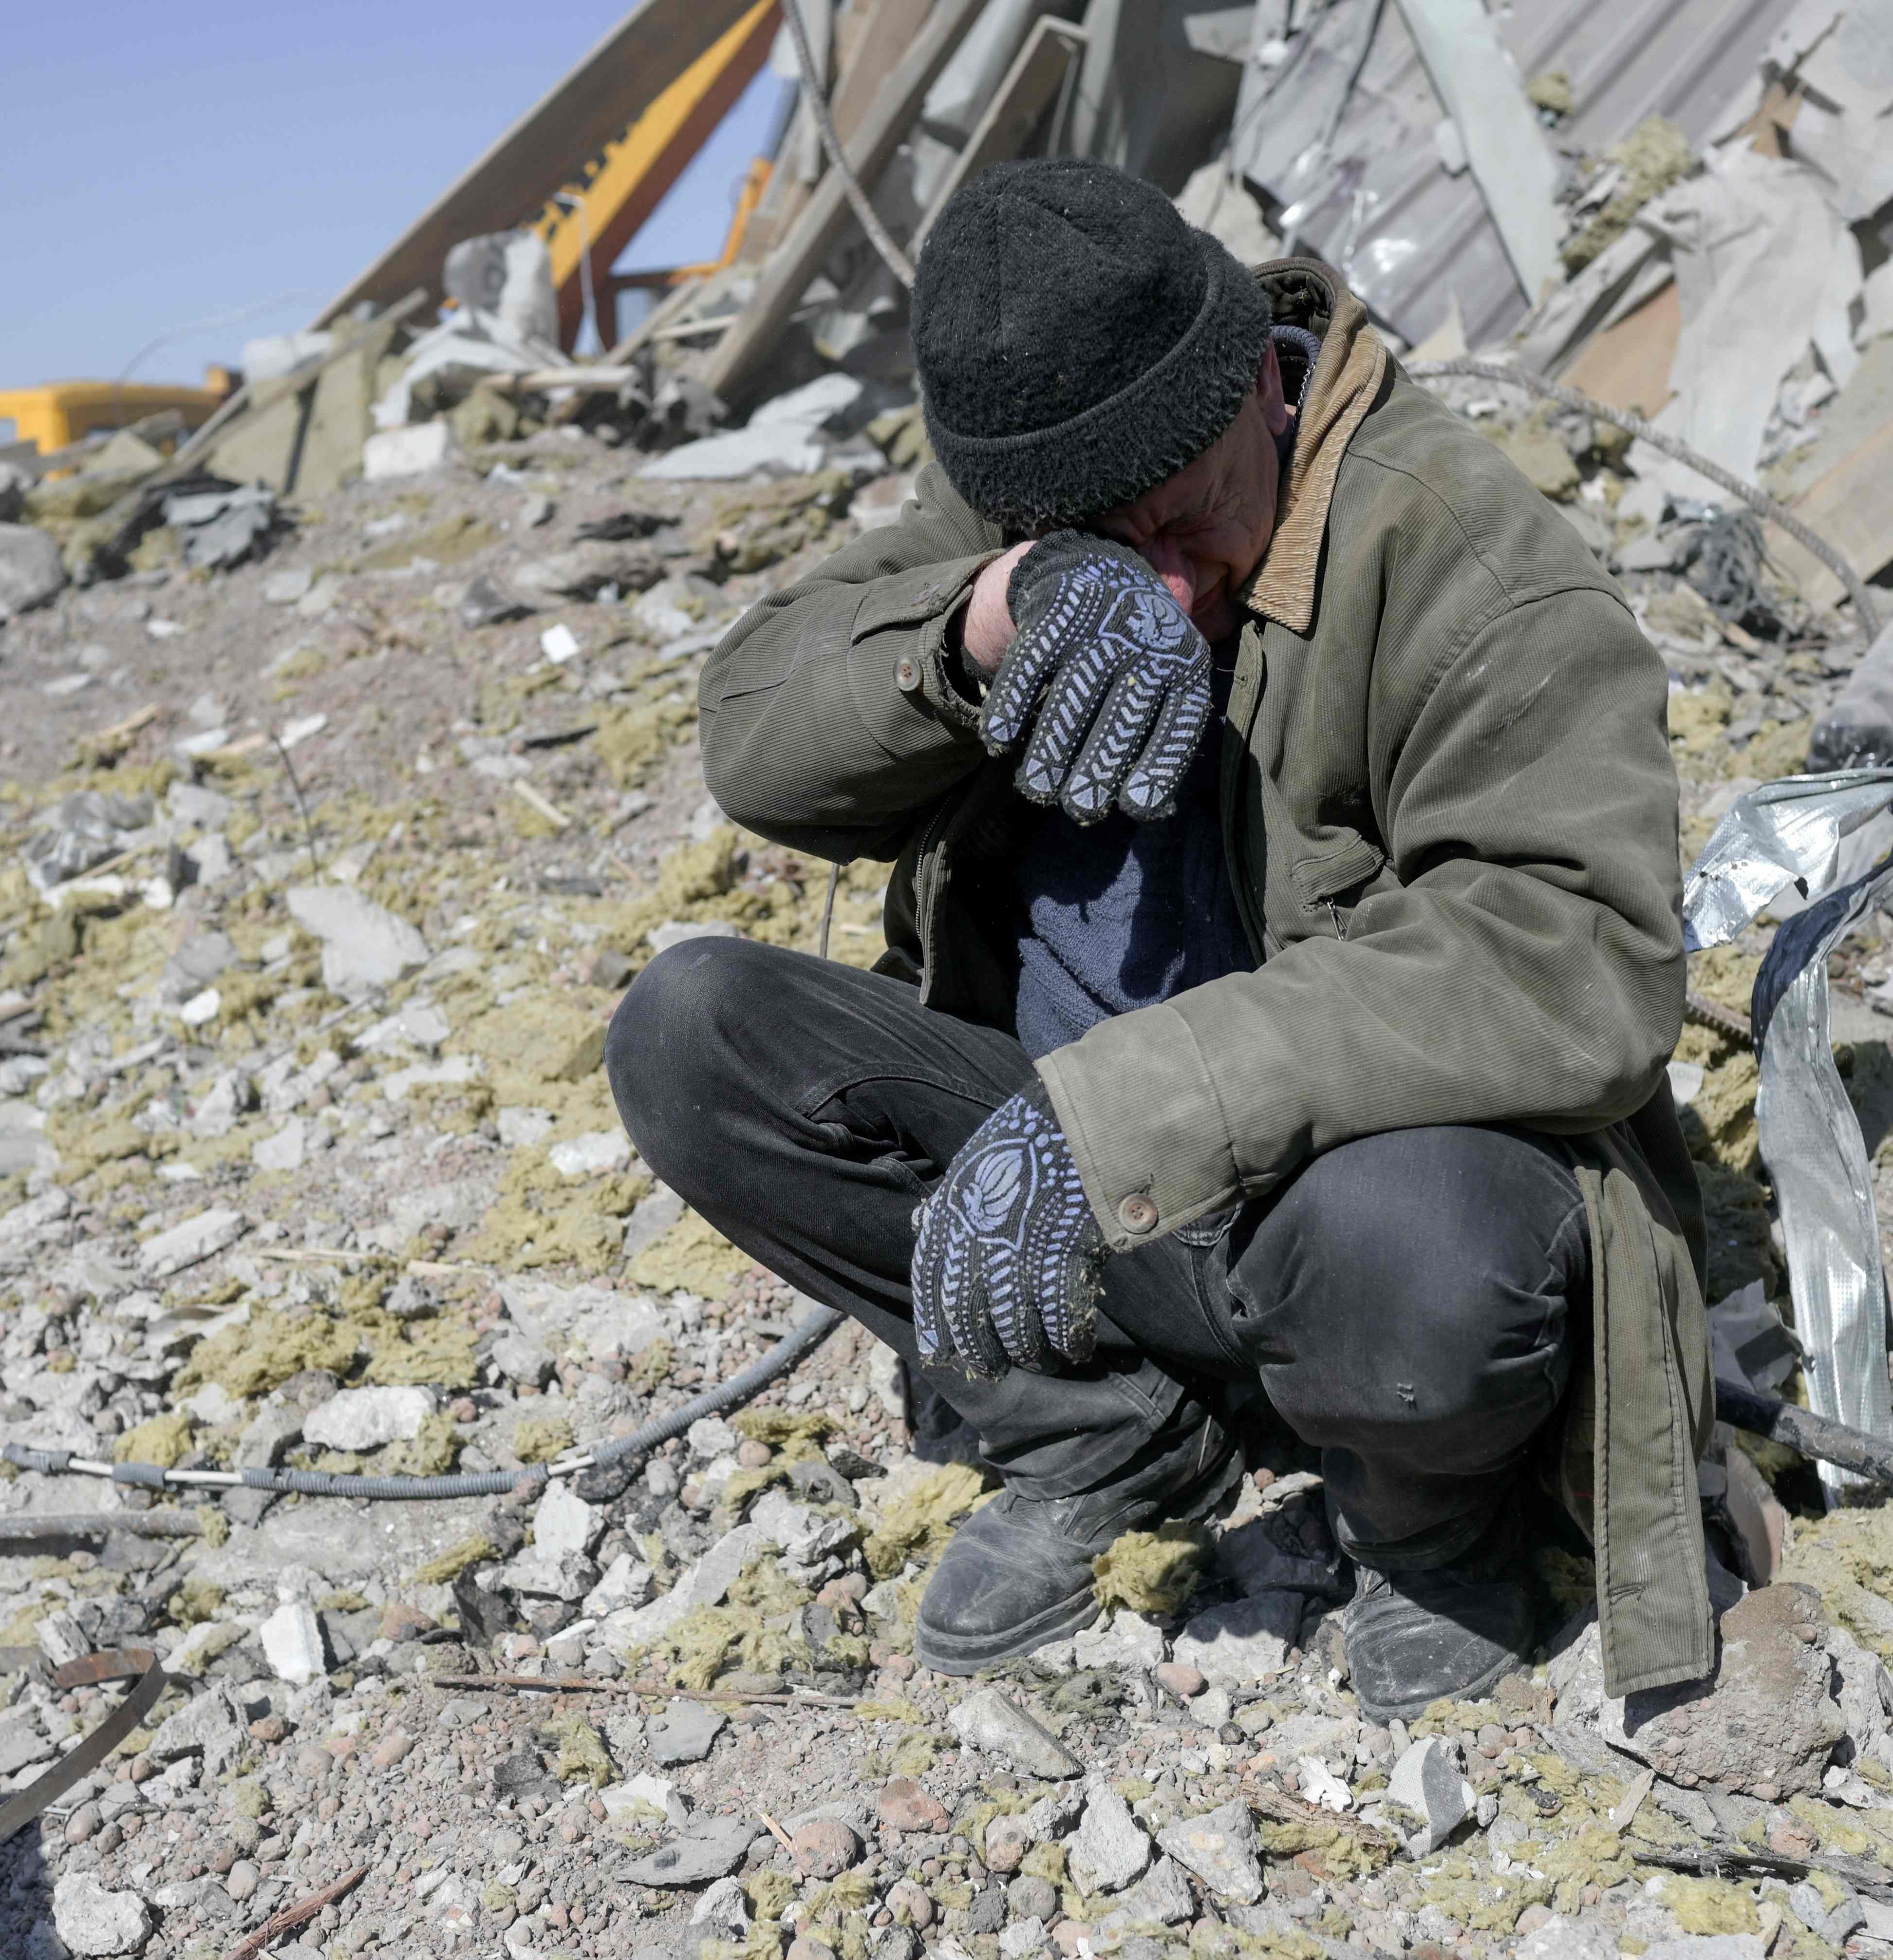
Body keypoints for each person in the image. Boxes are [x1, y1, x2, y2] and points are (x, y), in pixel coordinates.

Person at [607, 157, 1717, 1718]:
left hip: (1328, 1202)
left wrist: (1124, 1108)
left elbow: (1580, 953)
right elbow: (752, 734)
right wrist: (990, 617)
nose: (1172, 588)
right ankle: (1112, 1435)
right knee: (689, 1030)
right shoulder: (1035, 507)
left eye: (1194, 523)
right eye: (1105, 546)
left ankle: (1426, 1515)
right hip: (1088, 1201)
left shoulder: (1458, 550)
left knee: (1426, 1262)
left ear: (1257, 395)